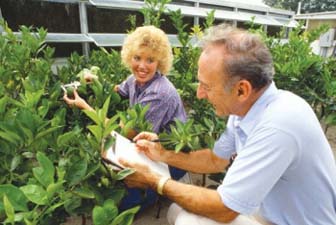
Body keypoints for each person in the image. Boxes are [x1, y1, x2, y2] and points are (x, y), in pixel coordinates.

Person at [119, 23, 336, 225]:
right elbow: (215, 160)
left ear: (241, 90)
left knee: (187, 220)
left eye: (206, 86)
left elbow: (225, 208)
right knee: (175, 212)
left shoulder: (278, 126)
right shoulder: (247, 109)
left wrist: (154, 181)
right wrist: (162, 154)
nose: (199, 94)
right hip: (270, 210)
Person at [63, 26, 187, 210]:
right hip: (149, 147)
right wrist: (94, 80)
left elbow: (127, 132)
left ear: (160, 62)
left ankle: (152, 193)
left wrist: (84, 107)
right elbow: (118, 91)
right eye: (137, 58)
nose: (142, 66)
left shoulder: (159, 93)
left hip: (172, 159)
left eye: (150, 60)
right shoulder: (134, 79)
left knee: (122, 206)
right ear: (130, 56)